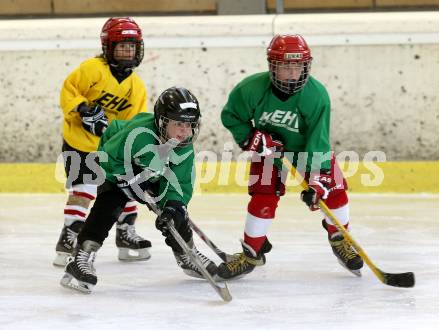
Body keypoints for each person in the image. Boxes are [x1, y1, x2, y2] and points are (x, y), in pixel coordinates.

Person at [217, 34, 364, 280]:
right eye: (286, 65)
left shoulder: (316, 95)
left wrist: (318, 179)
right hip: (269, 151)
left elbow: (319, 140)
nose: (293, 72)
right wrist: (251, 137)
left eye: (298, 65)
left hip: (308, 150)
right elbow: (231, 116)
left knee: (334, 192)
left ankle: (340, 239)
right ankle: (252, 252)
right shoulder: (250, 89)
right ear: (272, 66)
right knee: (263, 196)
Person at [60, 87, 217, 293]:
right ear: (162, 122)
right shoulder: (139, 134)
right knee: (111, 200)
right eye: (179, 124)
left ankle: (188, 255)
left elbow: (180, 183)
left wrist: (173, 205)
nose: (184, 131)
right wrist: (124, 178)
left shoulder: (184, 145)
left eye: (189, 125)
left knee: (175, 212)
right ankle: (82, 254)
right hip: (119, 165)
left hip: (153, 172)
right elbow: (107, 157)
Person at [54, 17, 151, 266]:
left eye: (132, 46)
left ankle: (125, 234)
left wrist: (129, 146)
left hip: (109, 149)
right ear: (108, 47)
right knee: (84, 190)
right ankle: (69, 238)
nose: (128, 52)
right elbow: (69, 90)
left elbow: (133, 123)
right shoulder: (92, 69)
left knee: (124, 188)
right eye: (122, 46)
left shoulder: (136, 86)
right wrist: (84, 108)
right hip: (79, 143)